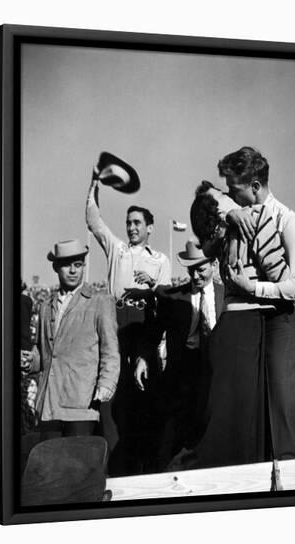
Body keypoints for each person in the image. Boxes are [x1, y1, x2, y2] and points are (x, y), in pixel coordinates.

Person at [187, 180, 292, 468]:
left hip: (238, 326)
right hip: (245, 325)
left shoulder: (232, 227)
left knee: (238, 419)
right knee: (239, 421)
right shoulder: (247, 222)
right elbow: (286, 279)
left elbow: (208, 199)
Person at [214, 146, 295, 460]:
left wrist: (254, 288)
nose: (230, 195)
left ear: (255, 187)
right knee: (245, 416)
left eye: (235, 189)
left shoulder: (287, 219)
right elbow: (208, 199)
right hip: (247, 325)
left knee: (281, 413)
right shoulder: (234, 216)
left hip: (282, 321)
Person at [86, 169, 172, 475]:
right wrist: (94, 185)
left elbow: (163, 305)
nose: (131, 227)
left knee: (143, 396)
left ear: (150, 227)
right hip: (115, 327)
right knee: (112, 395)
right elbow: (94, 221)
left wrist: (149, 286)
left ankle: (143, 468)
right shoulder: (117, 250)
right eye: (128, 223)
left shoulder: (161, 260)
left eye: (137, 223)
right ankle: (111, 468)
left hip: (144, 329)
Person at [134, 240, 225, 470]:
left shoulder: (228, 297)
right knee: (172, 436)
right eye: (191, 270)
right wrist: (143, 358)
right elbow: (153, 331)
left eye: (201, 269)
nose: (195, 276)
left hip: (216, 375)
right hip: (182, 375)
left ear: (214, 264)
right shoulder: (174, 299)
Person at [30, 239, 120, 441]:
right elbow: (43, 354)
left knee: (77, 468)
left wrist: (106, 385)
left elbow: (111, 351)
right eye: (67, 265)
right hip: (48, 405)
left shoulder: (100, 301)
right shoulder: (45, 305)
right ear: (56, 267)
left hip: (82, 404)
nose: (73, 271)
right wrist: (30, 361)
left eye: (78, 265)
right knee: (50, 468)